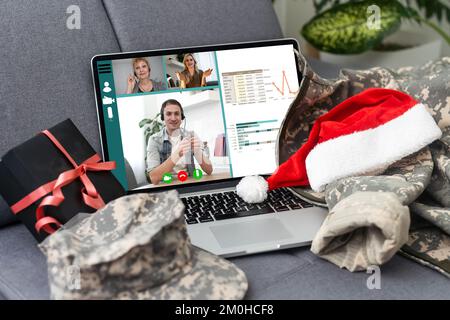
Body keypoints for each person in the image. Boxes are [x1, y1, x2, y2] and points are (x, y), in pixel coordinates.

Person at [146, 99, 213, 185]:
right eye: (169, 114)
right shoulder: (154, 140)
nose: (173, 118)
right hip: (167, 186)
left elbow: (209, 170)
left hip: (189, 184)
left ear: (182, 117)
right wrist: (177, 154)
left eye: (177, 114)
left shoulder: (191, 135)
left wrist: (197, 152)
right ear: (163, 117)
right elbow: (153, 178)